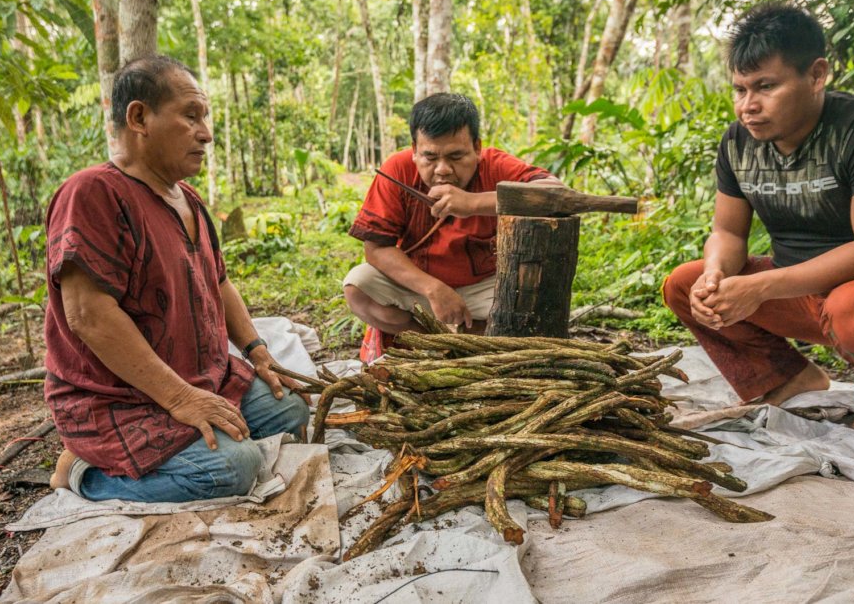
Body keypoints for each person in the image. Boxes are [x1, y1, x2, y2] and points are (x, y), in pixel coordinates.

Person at [662, 3, 854, 442]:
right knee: (685, 285)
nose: (748, 106)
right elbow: (727, 233)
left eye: (766, 86)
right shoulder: (739, 142)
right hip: (804, 293)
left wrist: (761, 287)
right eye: (740, 89)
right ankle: (787, 380)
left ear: (817, 75)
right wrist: (716, 276)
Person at [44, 55, 309, 502]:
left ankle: (185, 429)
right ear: (139, 117)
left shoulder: (188, 198)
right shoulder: (92, 192)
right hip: (119, 402)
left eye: (205, 118)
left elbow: (219, 283)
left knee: (292, 411)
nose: (206, 133)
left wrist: (257, 352)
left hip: (203, 378)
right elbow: (88, 316)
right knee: (232, 469)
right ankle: (83, 471)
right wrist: (181, 398)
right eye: (191, 116)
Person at [344, 93, 561, 361]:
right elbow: (376, 250)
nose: (443, 169)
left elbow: (556, 193)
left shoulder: (495, 164)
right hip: (421, 285)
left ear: (477, 147)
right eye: (430, 157)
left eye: (456, 156)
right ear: (414, 150)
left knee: (534, 300)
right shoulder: (397, 169)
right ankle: (438, 345)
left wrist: (473, 203)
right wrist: (433, 289)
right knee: (359, 286)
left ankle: (476, 340)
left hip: (487, 287)